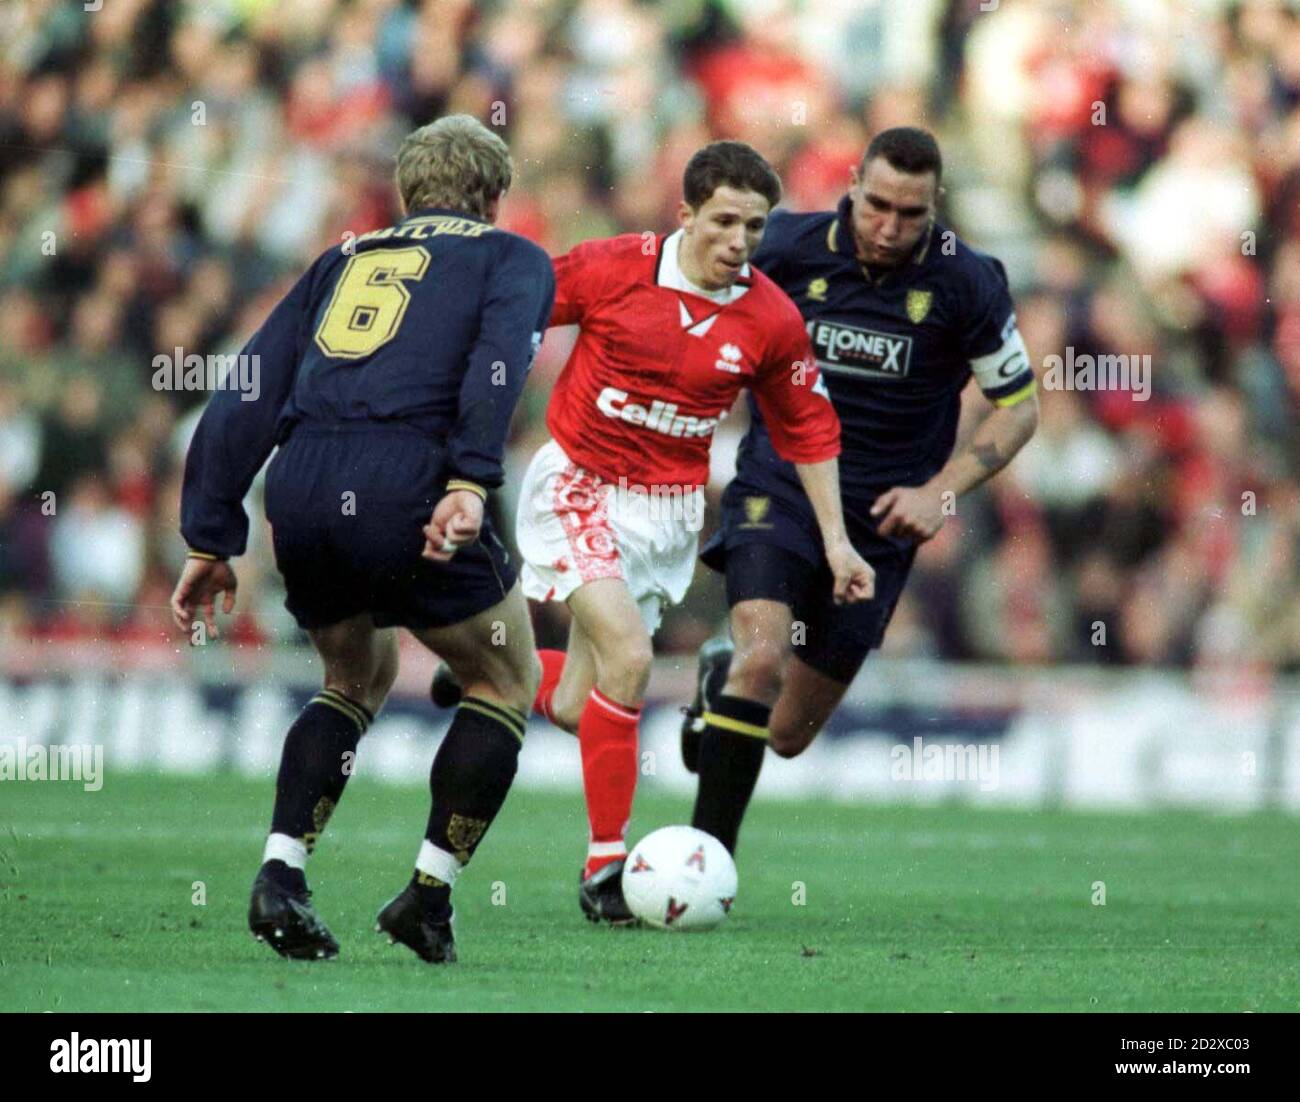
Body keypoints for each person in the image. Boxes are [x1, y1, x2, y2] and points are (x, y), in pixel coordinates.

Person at [432, 141, 874, 922]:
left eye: (755, 227)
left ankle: (495, 672)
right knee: (632, 660)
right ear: (687, 215)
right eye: (725, 221)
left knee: (582, 705)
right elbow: (519, 308)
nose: (739, 241)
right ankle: (605, 867)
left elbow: (810, 431)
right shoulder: (614, 268)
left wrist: (838, 542)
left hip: (665, 512)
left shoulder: (770, 317)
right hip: (576, 483)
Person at [170, 115, 555, 964]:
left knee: (354, 673)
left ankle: (282, 870)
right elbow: (499, 367)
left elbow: (247, 388)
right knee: (503, 676)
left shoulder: (341, 259)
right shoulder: (512, 256)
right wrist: (468, 478)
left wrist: (209, 535)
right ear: (493, 196)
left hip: (302, 484)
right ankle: (427, 896)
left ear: (406, 194)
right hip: (406, 477)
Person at [682, 127, 1040, 855]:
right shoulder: (783, 247)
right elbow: (683, 289)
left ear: (934, 206)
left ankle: (719, 684)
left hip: (883, 521)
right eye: (877, 205)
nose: (889, 227)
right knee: (763, 657)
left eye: (911, 214)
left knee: (784, 735)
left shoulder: (966, 280)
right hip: (778, 487)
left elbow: (1022, 405)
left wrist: (942, 492)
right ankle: (703, 861)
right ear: (852, 183)